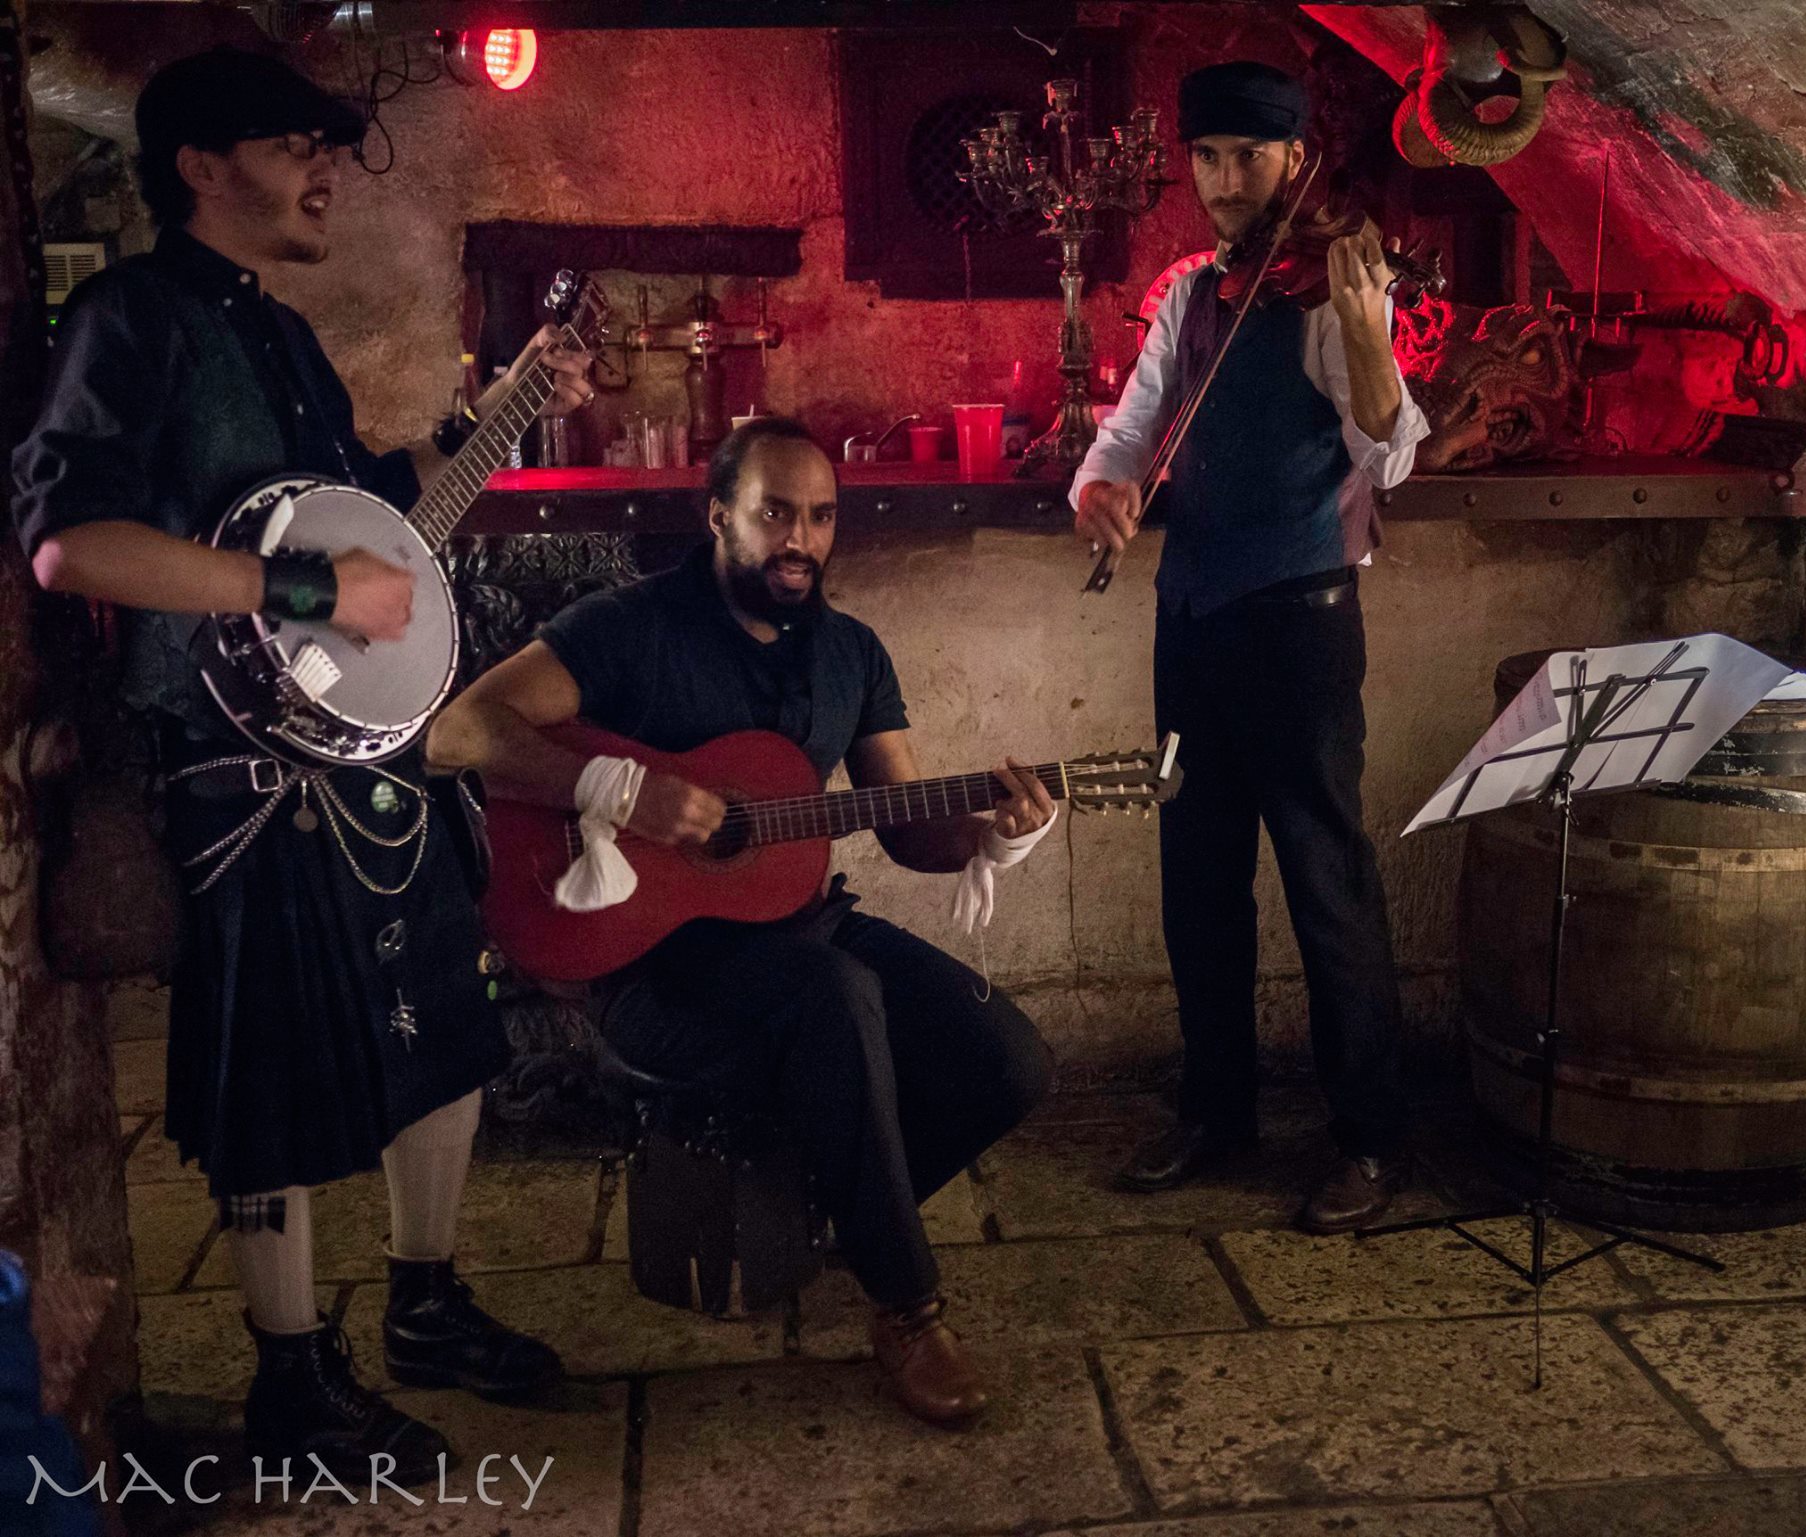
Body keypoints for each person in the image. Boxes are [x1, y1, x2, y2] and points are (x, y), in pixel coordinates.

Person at [12, 47, 595, 1482]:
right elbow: (70, 540)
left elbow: (384, 527)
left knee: (448, 1026)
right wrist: (306, 598)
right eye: (292, 145)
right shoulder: (128, 321)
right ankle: (291, 1381)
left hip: (366, 761)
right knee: (274, 1075)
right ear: (200, 166)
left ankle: (429, 1302)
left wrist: (507, 408)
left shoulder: (278, 333)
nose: (324, 169)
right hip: (229, 771)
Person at [427, 416, 1056, 1427]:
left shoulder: (851, 654)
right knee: (836, 1000)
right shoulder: (629, 627)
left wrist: (992, 834)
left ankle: (849, 1218)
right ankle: (907, 1306)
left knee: (1007, 1057)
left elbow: (902, 826)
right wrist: (612, 786)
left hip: (798, 931)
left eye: (819, 516)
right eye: (775, 514)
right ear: (719, 516)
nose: (798, 538)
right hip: (652, 966)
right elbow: (455, 729)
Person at [1072, 60, 1430, 1233]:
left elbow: (1394, 447)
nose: (1225, 182)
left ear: (1294, 159)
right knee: (1198, 879)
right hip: (1192, 618)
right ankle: (1214, 1111)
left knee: (1327, 881)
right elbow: (1132, 422)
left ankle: (1370, 1141)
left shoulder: (1331, 294)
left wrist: (1366, 323)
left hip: (1298, 625)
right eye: (1208, 159)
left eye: (1247, 159)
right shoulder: (1191, 292)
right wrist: (1103, 488)